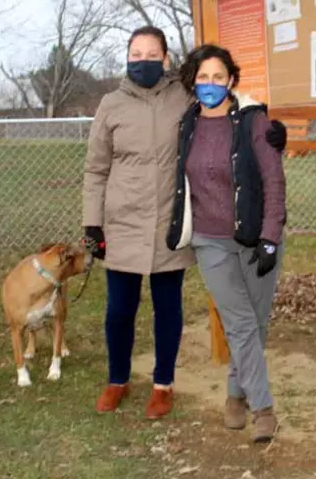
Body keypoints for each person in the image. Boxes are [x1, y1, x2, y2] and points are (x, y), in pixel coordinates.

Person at [83, 28, 287, 420]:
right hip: (122, 221)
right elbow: (95, 168)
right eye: (135, 53)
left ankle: (163, 384)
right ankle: (117, 379)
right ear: (127, 58)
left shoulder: (184, 94)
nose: (142, 60)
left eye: (151, 54)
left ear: (165, 59)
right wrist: (93, 224)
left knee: (167, 306)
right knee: (119, 309)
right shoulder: (111, 104)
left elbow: (228, 96)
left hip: (170, 221)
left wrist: (268, 123)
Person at [166, 44, 287, 444]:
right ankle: (263, 408)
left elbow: (272, 179)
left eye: (219, 77)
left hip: (255, 237)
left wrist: (270, 237)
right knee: (238, 323)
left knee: (256, 322)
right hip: (209, 240)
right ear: (192, 81)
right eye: (203, 77)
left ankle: (236, 393)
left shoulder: (252, 121)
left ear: (232, 80)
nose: (211, 84)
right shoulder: (186, 124)